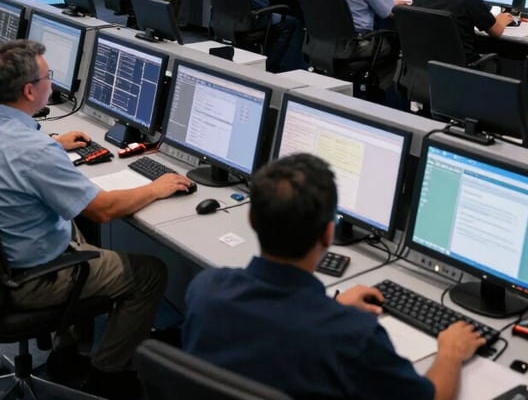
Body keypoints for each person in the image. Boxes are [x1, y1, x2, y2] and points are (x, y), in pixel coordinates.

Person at [0, 39, 193, 399]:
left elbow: (18, 153)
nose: (53, 82)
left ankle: (70, 351)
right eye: (49, 76)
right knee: (148, 272)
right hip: (26, 278)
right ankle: (109, 373)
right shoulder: (35, 152)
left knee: (77, 230)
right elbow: (103, 209)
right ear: (31, 90)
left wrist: (53, 141)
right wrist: (156, 189)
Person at [183, 153, 484, 400]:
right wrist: (450, 354)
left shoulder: (205, 290)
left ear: (251, 219)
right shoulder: (353, 336)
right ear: (328, 234)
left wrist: (334, 311)